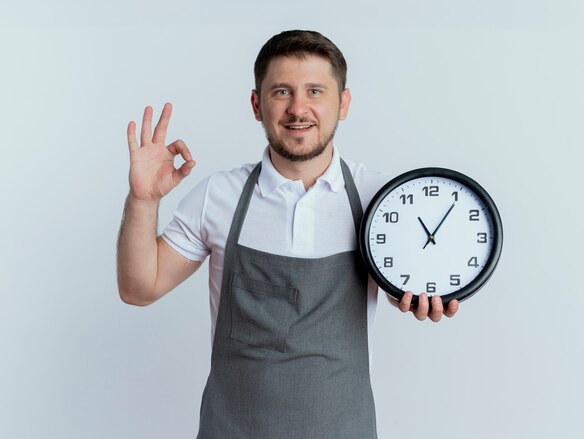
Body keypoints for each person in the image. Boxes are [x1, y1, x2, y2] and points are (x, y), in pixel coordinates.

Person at [117, 30, 459, 439]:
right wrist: (142, 199)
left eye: (315, 90)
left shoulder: (381, 200)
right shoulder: (218, 196)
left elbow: (408, 280)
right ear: (256, 104)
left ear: (343, 104)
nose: (299, 108)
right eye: (282, 91)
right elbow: (139, 288)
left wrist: (422, 296)